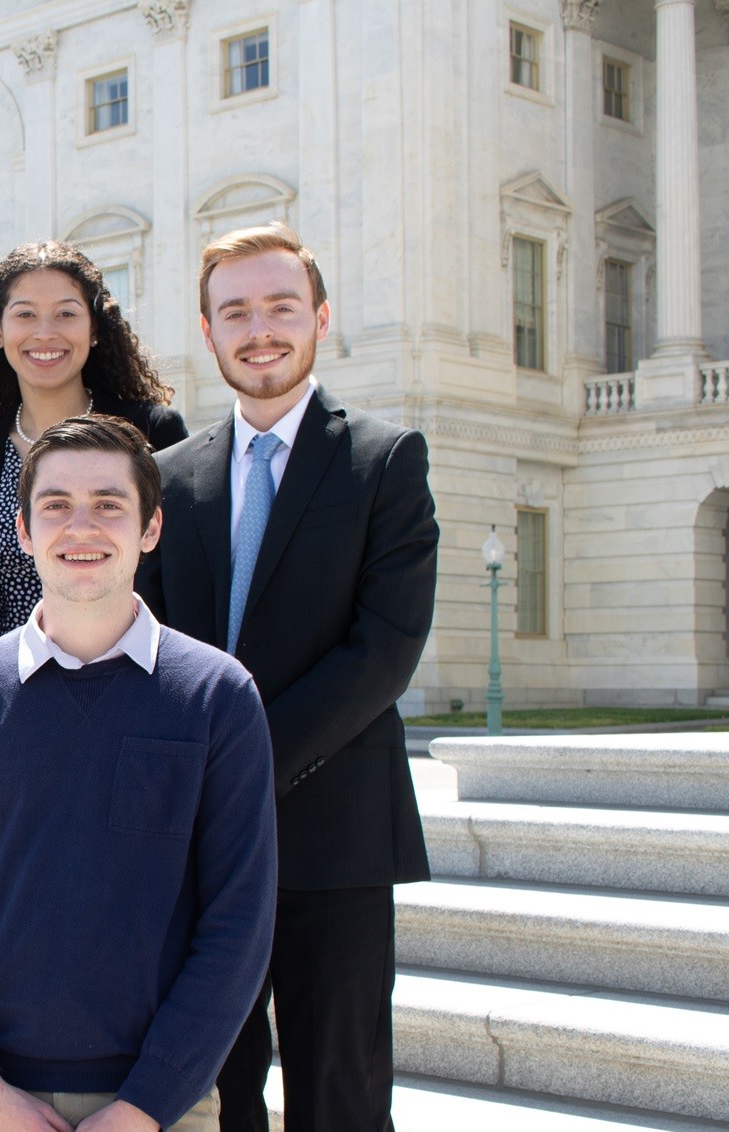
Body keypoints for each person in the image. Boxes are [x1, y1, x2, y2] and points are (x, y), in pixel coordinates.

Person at [0, 415, 276, 1132]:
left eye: (109, 504)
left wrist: (145, 1106)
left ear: (151, 528)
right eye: (56, 505)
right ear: (24, 531)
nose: (82, 526)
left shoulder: (217, 697)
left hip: (160, 1106)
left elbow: (239, 926)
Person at [137, 222, 437, 1132]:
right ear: (207, 331)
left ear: (321, 318)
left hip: (336, 835)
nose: (259, 329)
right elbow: (147, 647)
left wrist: (240, 766)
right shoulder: (165, 478)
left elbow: (384, 649)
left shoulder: (385, 460)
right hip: (195, 848)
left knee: (340, 1096)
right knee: (211, 1094)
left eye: (280, 307)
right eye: (235, 312)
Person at [0, 241, 188, 680]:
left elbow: (185, 584)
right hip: (4, 700)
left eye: (66, 313)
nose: (45, 333)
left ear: (94, 327)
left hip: (138, 690)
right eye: (25, 314)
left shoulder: (154, 436)